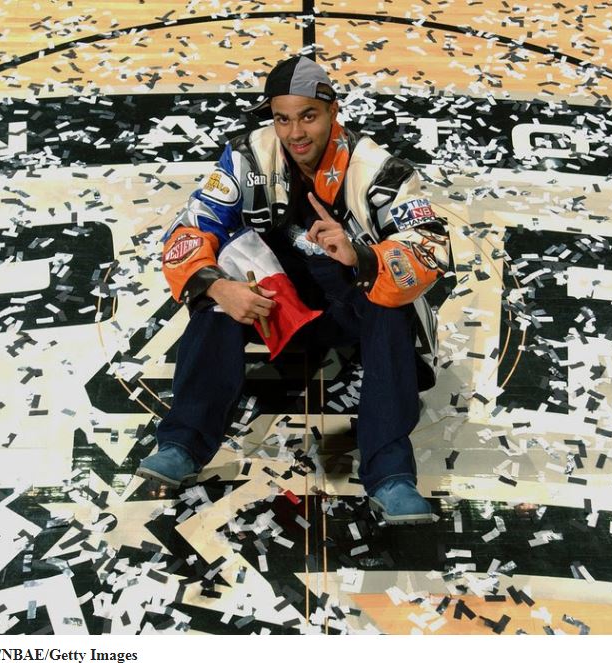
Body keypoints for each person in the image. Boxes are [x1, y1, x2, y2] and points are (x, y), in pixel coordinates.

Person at [136, 55, 451, 524]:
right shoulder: (246, 156)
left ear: (333, 111)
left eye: (308, 116)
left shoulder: (380, 170)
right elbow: (191, 228)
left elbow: (431, 246)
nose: (295, 132)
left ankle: (391, 476)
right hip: (278, 298)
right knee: (215, 294)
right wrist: (218, 288)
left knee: (389, 305)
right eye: (282, 119)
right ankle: (182, 444)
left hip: (349, 301)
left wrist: (361, 257)